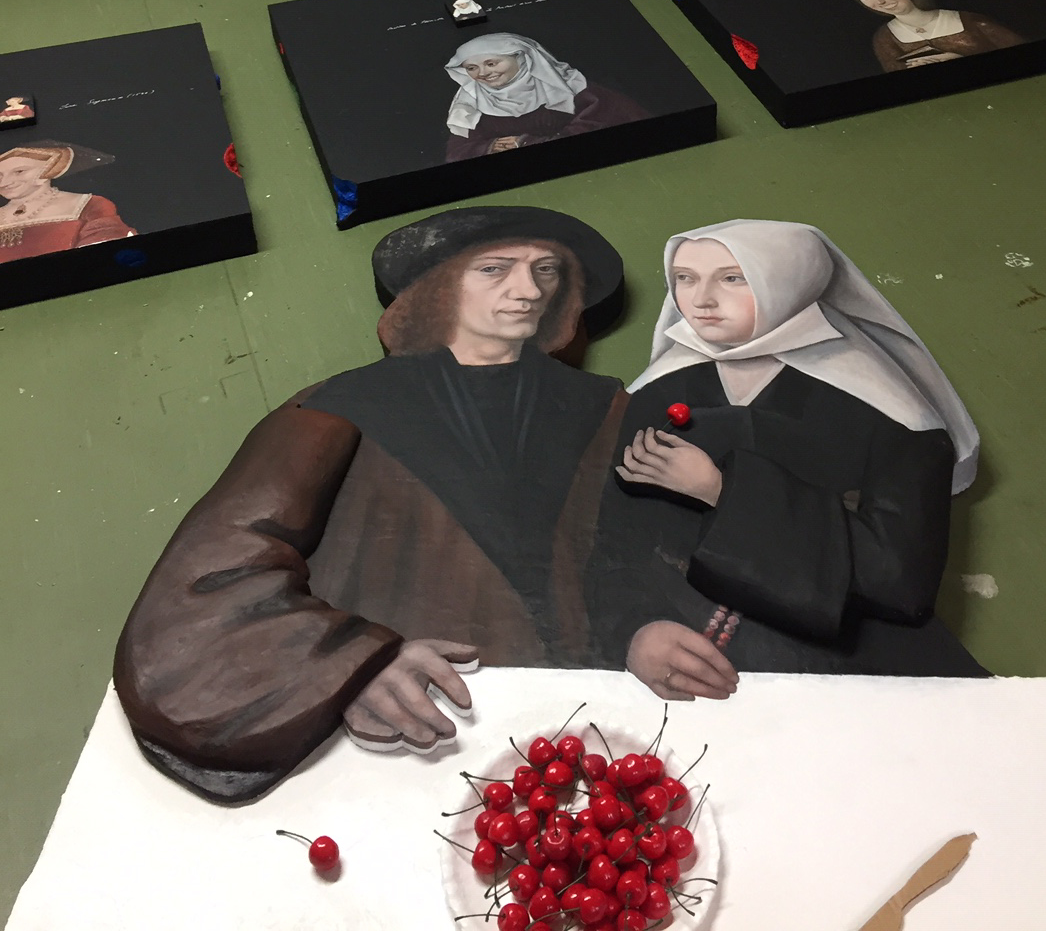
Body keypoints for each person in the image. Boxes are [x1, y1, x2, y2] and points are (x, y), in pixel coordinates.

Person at [114, 206, 628, 804]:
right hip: (427, 738)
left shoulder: (607, 408)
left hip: (611, 738)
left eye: (547, 271)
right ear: (440, 287)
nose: (528, 290)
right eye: (494, 268)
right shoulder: (337, 406)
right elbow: (207, 580)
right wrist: (349, 661)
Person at [586, 219, 985, 700]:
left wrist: (720, 490)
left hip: (852, 668)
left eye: (732, 278)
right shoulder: (658, 391)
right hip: (689, 659)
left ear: (789, 280)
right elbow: (609, 546)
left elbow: (900, 581)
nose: (702, 299)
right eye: (685, 278)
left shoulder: (886, 406)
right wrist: (635, 630)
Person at [443, 32, 649, 161]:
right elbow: (457, 153)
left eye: (491, 63)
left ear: (523, 58)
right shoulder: (470, 103)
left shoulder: (573, 88)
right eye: (472, 68)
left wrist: (525, 143)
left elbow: (607, 130)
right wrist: (489, 147)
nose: (483, 73)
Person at [848, 0, 1027, 72]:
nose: (879, 1)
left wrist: (960, 59)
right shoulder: (885, 37)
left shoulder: (970, 21)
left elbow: (1022, 56)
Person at [0, 143, 135, 262]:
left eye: (19, 172)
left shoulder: (89, 204)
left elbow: (102, 256)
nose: (4, 183)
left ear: (49, 169)